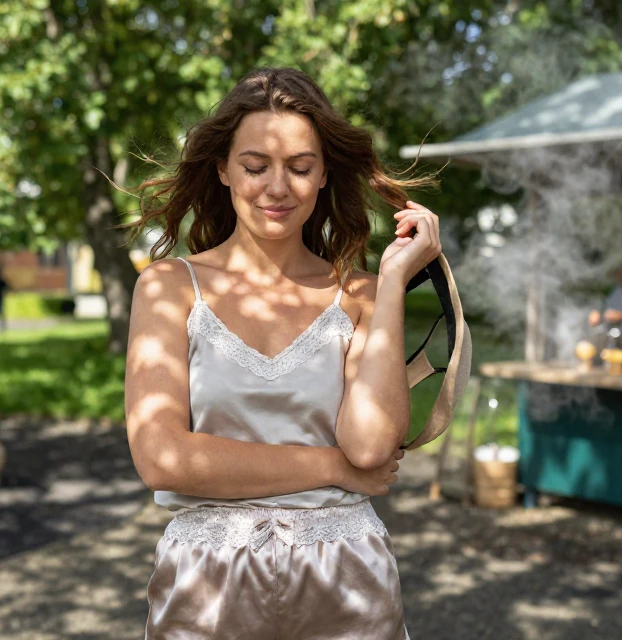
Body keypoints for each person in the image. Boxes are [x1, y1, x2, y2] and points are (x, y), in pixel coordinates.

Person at [124, 67, 442, 639]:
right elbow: (163, 459)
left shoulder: (363, 294)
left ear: (323, 175)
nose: (277, 188)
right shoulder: (169, 288)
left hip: (346, 575)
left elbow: (370, 446)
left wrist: (393, 281)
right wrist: (331, 469)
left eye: (299, 167)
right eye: (255, 166)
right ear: (222, 169)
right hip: (207, 583)